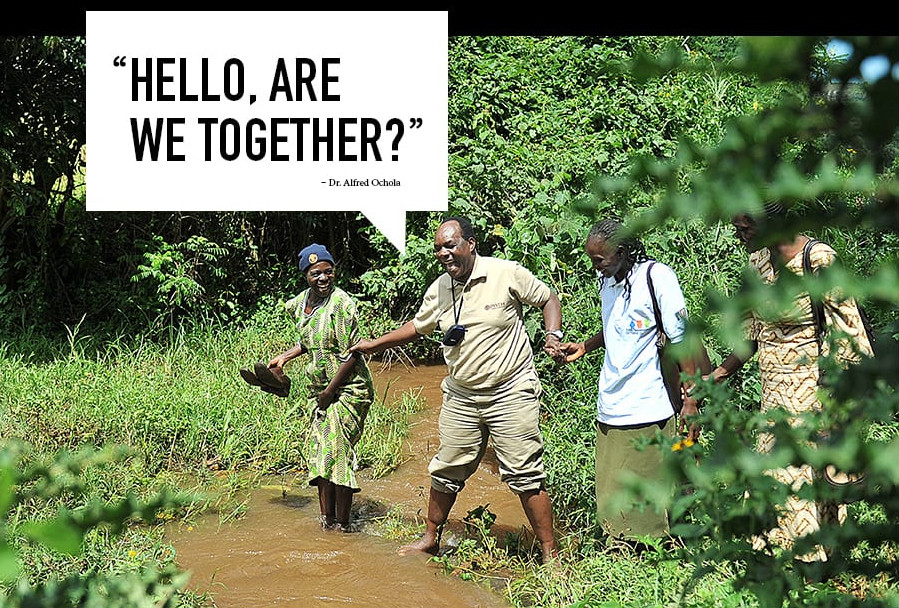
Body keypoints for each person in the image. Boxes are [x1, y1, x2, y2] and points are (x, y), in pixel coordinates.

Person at [349, 216, 562, 564]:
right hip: (462, 395)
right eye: (438, 249)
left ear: (470, 243)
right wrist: (375, 344)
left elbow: (548, 300)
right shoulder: (440, 288)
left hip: (510, 390)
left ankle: (550, 554)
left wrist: (552, 336)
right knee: (445, 468)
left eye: (450, 245)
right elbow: (418, 327)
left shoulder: (506, 273)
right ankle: (431, 538)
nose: (444, 254)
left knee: (525, 473)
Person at [709, 206, 874, 561]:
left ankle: (810, 557)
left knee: (802, 474)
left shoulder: (819, 260)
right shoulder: (757, 264)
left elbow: (849, 334)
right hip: (772, 391)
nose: (739, 235)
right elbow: (754, 333)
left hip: (813, 388)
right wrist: (721, 371)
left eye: (745, 228)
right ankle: (775, 552)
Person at [557, 218, 706, 540]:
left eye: (600, 259)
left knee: (649, 490)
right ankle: (621, 547)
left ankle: (655, 552)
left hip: (648, 404)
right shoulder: (608, 281)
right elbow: (619, 327)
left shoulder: (657, 278)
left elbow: (684, 340)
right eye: (591, 260)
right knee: (613, 487)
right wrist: (586, 345)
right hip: (611, 401)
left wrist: (691, 400)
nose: (595, 267)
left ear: (622, 251)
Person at [244, 243, 375, 532]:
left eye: (329, 272)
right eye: (316, 273)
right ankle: (326, 521)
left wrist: (330, 391)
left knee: (337, 451)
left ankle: (343, 525)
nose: (324, 278)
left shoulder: (342, 305)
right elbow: (309, 339)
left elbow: (352, 353)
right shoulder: (302, 303)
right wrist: (286, 356)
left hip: (349, 391)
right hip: (320, 392)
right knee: (320, 453)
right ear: (306, 274)